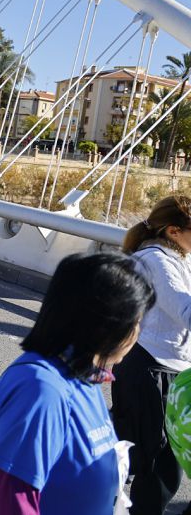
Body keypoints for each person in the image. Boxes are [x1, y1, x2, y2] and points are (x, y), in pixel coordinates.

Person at [0, 252, 156, 515]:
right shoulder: (41, 390)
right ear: (103, 322)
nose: (138, 332)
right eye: (135, 321)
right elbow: (14, 502)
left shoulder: (84, 376)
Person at [113, 195, 191, 515]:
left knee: (148, 454)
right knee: (159, 463)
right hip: (150, 367)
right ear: (173, 231)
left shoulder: (179, 257)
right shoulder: (157, 261)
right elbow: (187, 311)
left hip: (169, 366)